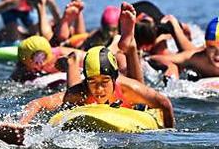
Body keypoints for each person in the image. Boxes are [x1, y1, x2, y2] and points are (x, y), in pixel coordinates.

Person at [18, 45, 175, 127]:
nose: (99, 90)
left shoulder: (128, 89)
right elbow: (38, 103)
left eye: (104, 82)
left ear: (114, 79)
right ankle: (72, 62)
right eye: (93, 82)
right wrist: (21, 124)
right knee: (72, 99)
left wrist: (169, 133)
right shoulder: (82, 90)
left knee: (140, 89)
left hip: (130, 107)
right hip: (84, 102)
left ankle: (131, 48)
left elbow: (164, 103)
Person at [149, 16, 219, 80]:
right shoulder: (199, 60)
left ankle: (175, 26)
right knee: (190, 51)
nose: (217, 53)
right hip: (195, 53)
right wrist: (171, 66)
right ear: (206, 47)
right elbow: (152, 58)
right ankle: (175, 26)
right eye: (212, 47)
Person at [11, 35, 80, 82]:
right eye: (36, 61)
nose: (41, 63)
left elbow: (85, 56)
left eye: (43, 58)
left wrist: (71, 64)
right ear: (26, 61)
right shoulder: (22, 69)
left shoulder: (60, 54)